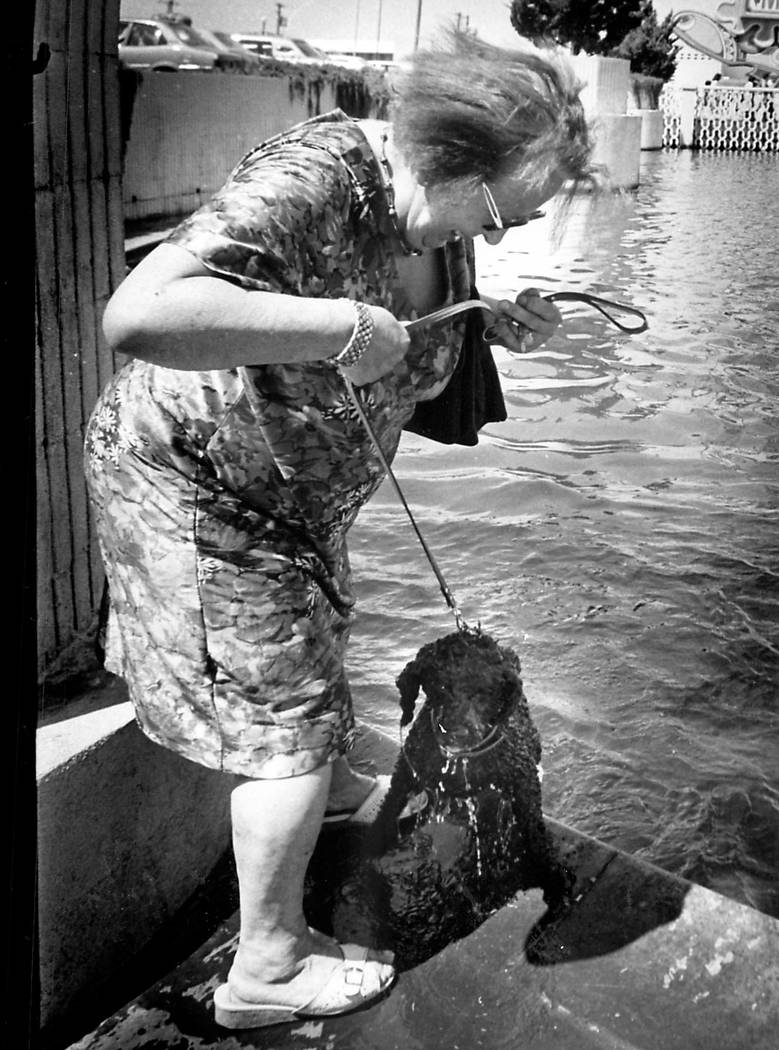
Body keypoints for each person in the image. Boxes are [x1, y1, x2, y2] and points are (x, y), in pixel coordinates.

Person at [84, 29, 595, 1029]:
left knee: (309, 681)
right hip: (208, 490)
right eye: (500, 215)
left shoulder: (435, 217)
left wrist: (487, 317)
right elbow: (141, 313)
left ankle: (309, 796)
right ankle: (263, 973)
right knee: (288, 731)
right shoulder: (319, 176)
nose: (495, 237)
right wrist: (338, 327)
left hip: (293, 501)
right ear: (450, 157)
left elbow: (411, 301)